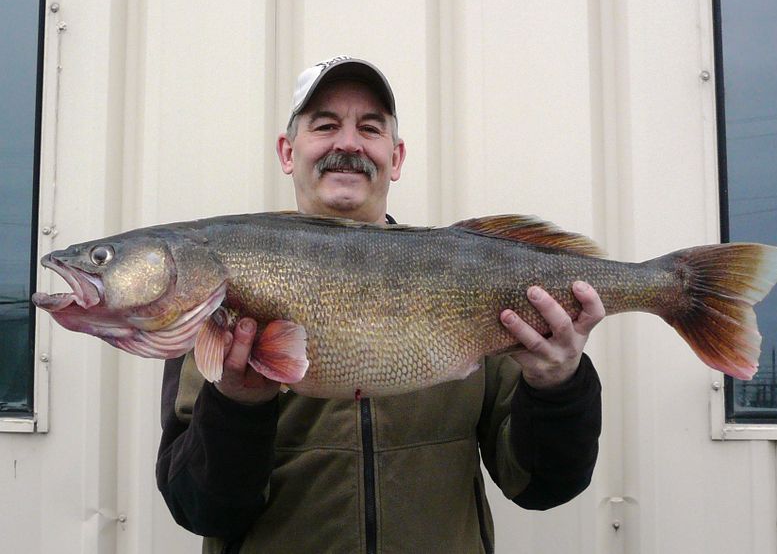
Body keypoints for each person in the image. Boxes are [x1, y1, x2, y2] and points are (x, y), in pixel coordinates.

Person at [157, 56, 604, 554]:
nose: (348, 143)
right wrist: (238, 408)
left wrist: (558, 387)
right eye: (325, 125)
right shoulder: (214, 303)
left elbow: (540, 485)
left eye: (370, 128)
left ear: (397, 155)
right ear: (288, 152)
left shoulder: (474, 277)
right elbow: (198, 507)